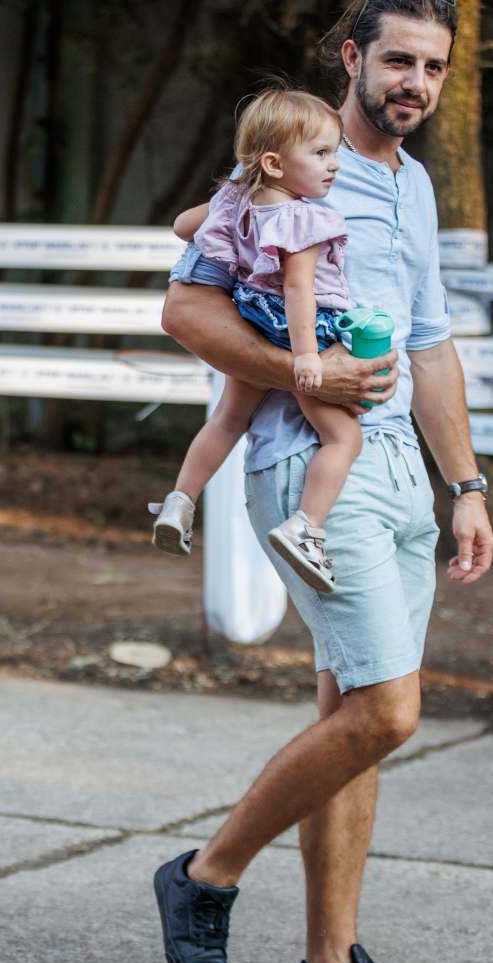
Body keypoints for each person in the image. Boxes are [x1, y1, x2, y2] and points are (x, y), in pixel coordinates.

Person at [152, 3, 493, 963]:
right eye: (398, 60)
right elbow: (185, 308)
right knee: (388, 709)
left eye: (434, 67)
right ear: (353, 57)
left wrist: (466, 485)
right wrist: (305, 373)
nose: (415, 83)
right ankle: (204, 875)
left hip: (398, 473)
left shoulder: (414, 184)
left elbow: (429, 345)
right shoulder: (280, 168)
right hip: (309, 459)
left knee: (353, 714)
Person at [150, 88, 364, 594]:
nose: (334, 165)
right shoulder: (304, 219)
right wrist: (306, 357)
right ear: (273, 162)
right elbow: (299, 290)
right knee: (343, 437)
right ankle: (306, 528)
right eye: (320, 153)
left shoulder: (236, 200)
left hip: (251, 318)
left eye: (333, 152)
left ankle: (180, 500)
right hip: (300, 329)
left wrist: (233, 191)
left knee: (228, 419)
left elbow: (182, 226)